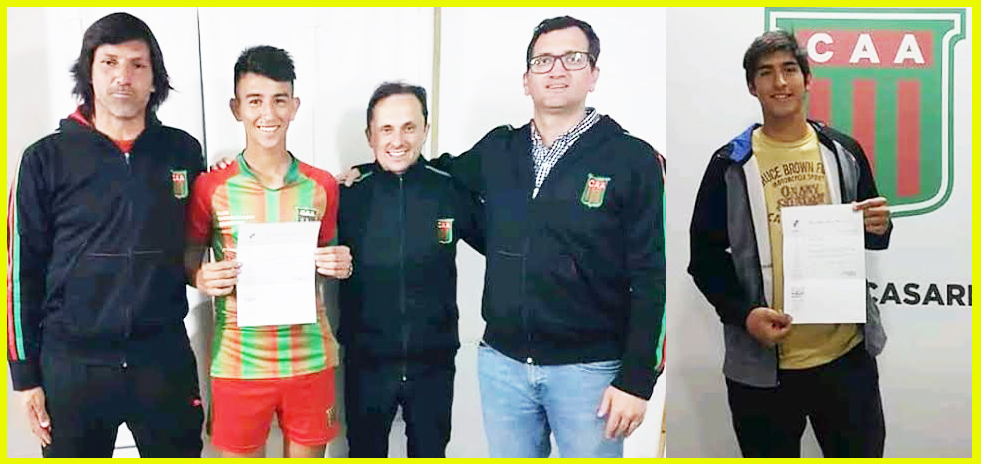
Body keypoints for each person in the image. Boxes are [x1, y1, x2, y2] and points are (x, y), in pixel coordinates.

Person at [397, 16, 666, 458]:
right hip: (502, 366)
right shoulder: (499, 149)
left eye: (572, 58)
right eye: (543, 61)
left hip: (590, 372)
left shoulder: (632, 159)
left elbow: (652, 275)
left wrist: (637, 380)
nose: (556, 70)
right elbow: (439, 178)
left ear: (593, 74)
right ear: (527, 80)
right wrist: (366, 173)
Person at [7, 12, 205, 458]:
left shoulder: (182, 151)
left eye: (137, 65)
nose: (123, 77)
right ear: (89, 73)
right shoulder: (43, 159)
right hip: (73, 365)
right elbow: (21, 273)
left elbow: (203, 230)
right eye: (109, 63)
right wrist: (26, 377)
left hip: (162, 359)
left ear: (154, 79)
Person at [688, 29, 892, 458]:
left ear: (807, 79)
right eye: (766, 73)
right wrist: (744, 314)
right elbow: (703, 260)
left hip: (846, 360)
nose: (780, 82)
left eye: (789, 70)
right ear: (752, 86)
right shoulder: (729, 164)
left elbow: (873, 236)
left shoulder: (844, 151)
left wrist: (879, 226)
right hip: (763, 370)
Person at [184, 45, 352, 458]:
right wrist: (199, 276)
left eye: (279, 100)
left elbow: (327, 257)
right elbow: (188, 257)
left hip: (310, 359)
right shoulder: (212, 186)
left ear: (294, 106)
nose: (268, 113)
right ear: (236, 108)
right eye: (255, 100)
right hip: (238, 363)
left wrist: (338, 264)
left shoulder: (321, 185)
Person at [338, 82, 484, 457]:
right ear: (370, 135)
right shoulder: (346, 194)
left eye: (409, 127)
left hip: (433, 363)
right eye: (386, 129)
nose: (398, 140)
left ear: (425, 130)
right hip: (366, 364)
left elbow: (502, 245)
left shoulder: (449, 190)